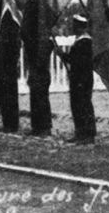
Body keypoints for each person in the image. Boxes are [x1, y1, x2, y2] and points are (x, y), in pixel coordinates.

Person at [54, 14, 96, 145]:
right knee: (77, 106)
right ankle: (80, 132)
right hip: (77, 78)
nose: (73, 27)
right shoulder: (79, 41)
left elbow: (79, 61)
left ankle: (88, 134)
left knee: (84, 106)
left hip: (82, 79)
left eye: (75, 25)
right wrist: (62, 55)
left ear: (80, 27)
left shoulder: (85, 42)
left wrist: (63, 55)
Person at [0, 14, 22, 133]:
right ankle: (8, 123)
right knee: (6, 98)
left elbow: (12, 53)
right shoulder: (4, 38)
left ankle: (11, 124)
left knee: (8, 98)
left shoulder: (12, 37)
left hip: (8, 70)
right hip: (4, 70)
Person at [26, 38, 53, 137]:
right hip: (36, 73)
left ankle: (45, 127)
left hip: (41, 74)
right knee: (35, 101)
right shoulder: (35, 42)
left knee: (42, 101)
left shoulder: (45, 42)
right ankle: (37, 127)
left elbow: (41, 60)